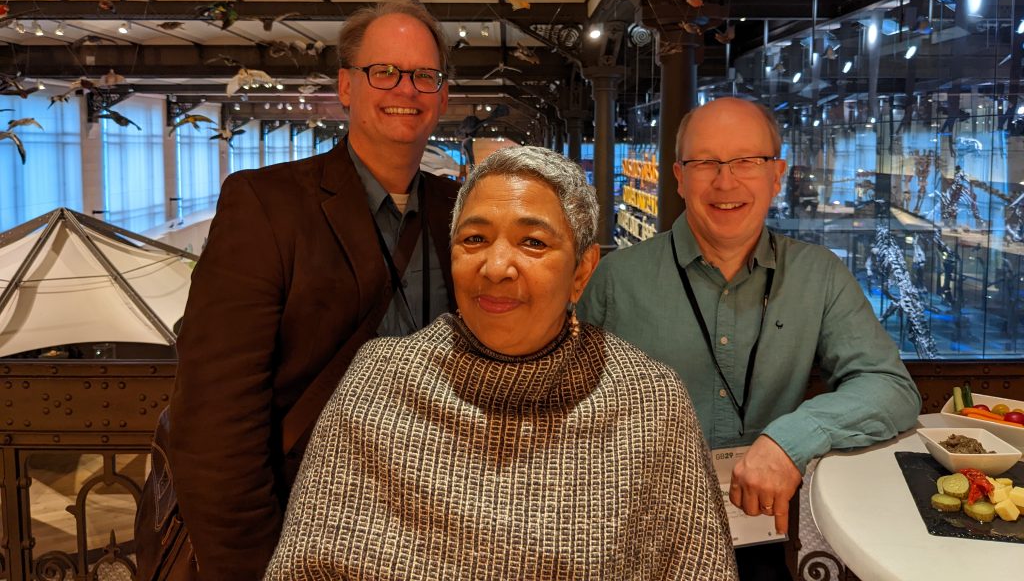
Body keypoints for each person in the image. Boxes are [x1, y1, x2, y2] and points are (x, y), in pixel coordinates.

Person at [264, 147, 738, 580]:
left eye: (532, 242)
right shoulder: (381, 379)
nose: (495, 267)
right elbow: (303, 567)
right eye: (474, 239)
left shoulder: (647, 400)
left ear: (582, 271)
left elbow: (698, 567)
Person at [141, 0, 460, 580]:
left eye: (424, 76)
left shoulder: (455, 211)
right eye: (383, 71)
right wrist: (251, 566)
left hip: (430, 528)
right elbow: (217, 416)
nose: (405, 89)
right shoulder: (266, 204)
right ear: (346, 87)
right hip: (302, 529)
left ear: (441, 96)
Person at [579, 97, 920, 581]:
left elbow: (889, 386)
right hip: (642, 539)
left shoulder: (818, 275)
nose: (726, 181)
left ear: (776, 173)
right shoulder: (616, 279)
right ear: (678, 175)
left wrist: (789, 442)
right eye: (706, 163)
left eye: (747, 161)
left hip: (768, 531)